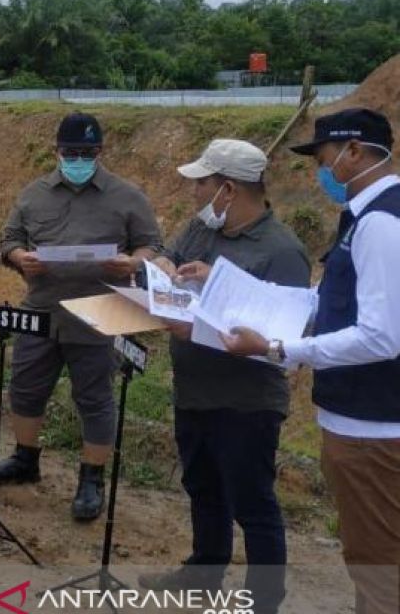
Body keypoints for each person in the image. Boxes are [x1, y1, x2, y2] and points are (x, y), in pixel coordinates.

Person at [224, 108, 400, 614]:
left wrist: (279, 349)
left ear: (355, 152)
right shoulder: (368, 214)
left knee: (377, 561)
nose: (320, 171)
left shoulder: (382, 223)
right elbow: (341, 296)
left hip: (372, 431)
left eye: (323, 158)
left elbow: (380, 336)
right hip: (366, 423)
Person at [136, 139, 309, 614]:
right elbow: (167, 258)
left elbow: (282, 335)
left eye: (202, 185)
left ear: (228, 189)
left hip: (247, 403)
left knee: (253, 504)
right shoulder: (200, 229)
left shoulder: (282, 251)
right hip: (195, 391)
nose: (194, 194)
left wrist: (214, 289)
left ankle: (263, 601)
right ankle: (204, 572)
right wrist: (164, 268)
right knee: (203, 487)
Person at [0, 112, 162, 520]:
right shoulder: (33, 194)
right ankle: (25, 459)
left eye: (87, 152)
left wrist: (133, 263)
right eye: (71, 152)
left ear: (100, 152)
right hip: (42, 310)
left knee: (95, 399)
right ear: (57, 151)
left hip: (101, 314)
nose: (78, 159)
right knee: (25, 389)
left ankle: (91, 479)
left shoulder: (128, 196)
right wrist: (18, 259)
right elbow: (9, 239)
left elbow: (152, 245)